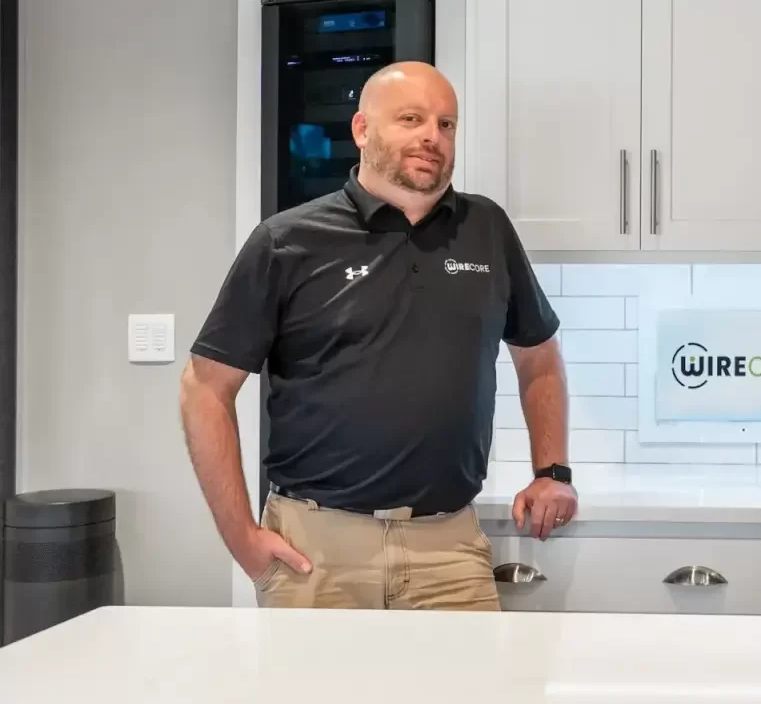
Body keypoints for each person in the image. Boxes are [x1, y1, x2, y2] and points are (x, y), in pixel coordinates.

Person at [180, 61, 576, 611]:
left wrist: (551, 471)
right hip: (316, 553)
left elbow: (540, 360)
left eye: (446, 124)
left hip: (450, 551)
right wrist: (242, 538)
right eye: (411, 119)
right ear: (362, 130)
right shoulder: (287, 241)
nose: (431, 137)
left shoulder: (487, 230)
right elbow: (204, 388)